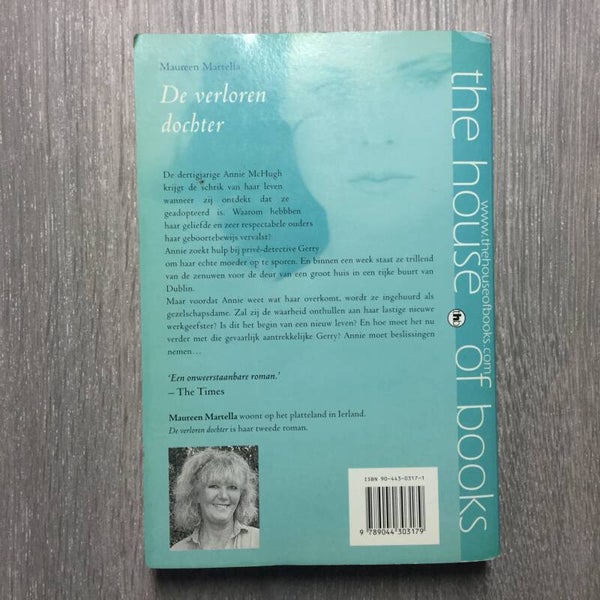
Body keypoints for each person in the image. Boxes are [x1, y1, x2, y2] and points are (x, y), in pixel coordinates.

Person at [170, 448, 259, 550]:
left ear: (241, 495)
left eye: (232, 487)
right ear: (196, 494)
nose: (223, 496)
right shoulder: (178, 550)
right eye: (214, 486)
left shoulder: (259, 541)